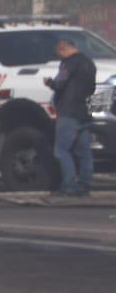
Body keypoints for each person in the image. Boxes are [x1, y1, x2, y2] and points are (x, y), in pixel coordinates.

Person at [46, 35, 97, 198]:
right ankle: (85, 185)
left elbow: (60, 83)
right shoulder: (89, 63)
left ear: (63, 48)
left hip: (68, 112)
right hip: (85, 112)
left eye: (58, 52)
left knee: (62, 151)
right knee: (84, 151)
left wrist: (49, 83)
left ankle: (69, 186)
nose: (58, 56)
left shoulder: (68, 63)